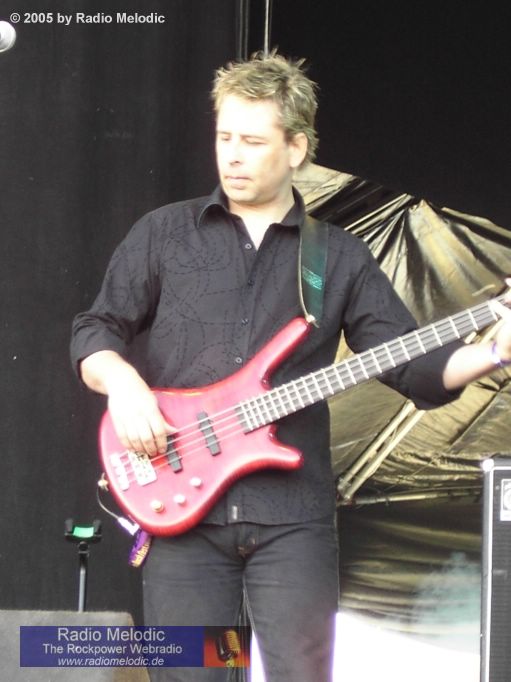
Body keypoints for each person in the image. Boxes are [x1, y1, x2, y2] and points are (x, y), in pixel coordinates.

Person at [70, 52, 511, 682]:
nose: (232, 156)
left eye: (252, 142)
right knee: (192, 674)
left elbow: (413, 369)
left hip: (292, 520)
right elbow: (95, 329)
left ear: (296, 148)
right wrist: (123, 384)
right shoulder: (164, 234)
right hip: (179, 506)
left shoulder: (337, 256)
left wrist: (494, 351)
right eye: (224, 137)